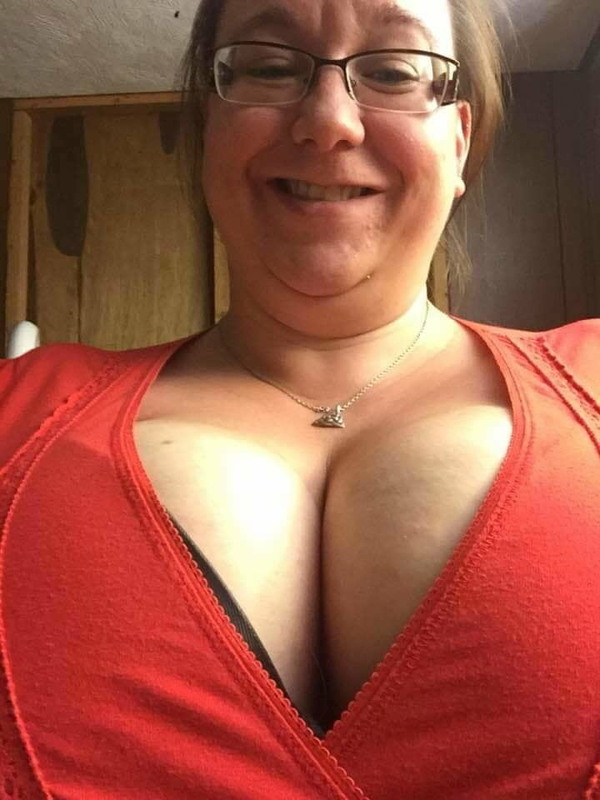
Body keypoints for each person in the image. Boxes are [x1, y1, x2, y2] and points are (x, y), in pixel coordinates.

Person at [0, 0, 599, 797]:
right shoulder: (18, 410)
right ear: (210, 131)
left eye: (394, 72)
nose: (327, 122)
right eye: (269, 67)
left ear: (457, 143)